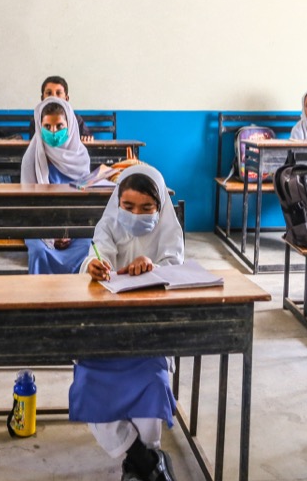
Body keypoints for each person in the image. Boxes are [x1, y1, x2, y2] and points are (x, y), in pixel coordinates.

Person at [73, 165, 182, 481]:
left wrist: (153, 269)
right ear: (116, 203)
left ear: (159, 208)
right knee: (88, 385)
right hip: (104, 329)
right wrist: (92, 266)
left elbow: (174, 270)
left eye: (147, 208)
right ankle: (146, 461)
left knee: (152, 382)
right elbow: (96, 260)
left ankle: (138, 463)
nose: (137, 214)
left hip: (149, 331)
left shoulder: (168, 231)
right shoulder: (107, 228)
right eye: (129, 206)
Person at [20, 97, 92, 273]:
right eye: (47, 127)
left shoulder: (81, 157)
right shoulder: (32, 158)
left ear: (71, 125)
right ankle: (41, 298)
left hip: (76, 224)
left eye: (60, 126)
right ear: (39, 126)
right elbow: (28, 205)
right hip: (39, 225)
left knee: (87, 250)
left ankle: (77, 299)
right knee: (38, 252)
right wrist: (51, 234)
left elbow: (84, 202)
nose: (53, 132)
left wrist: (68, 230)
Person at [41, 75, 92, 141]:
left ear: (66, 98)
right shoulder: (36, 120)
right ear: (42, 98)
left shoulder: (75, 119)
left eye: (58, 93)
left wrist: (87, 137)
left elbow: (86, 136)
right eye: (49, 93)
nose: (53, 97)